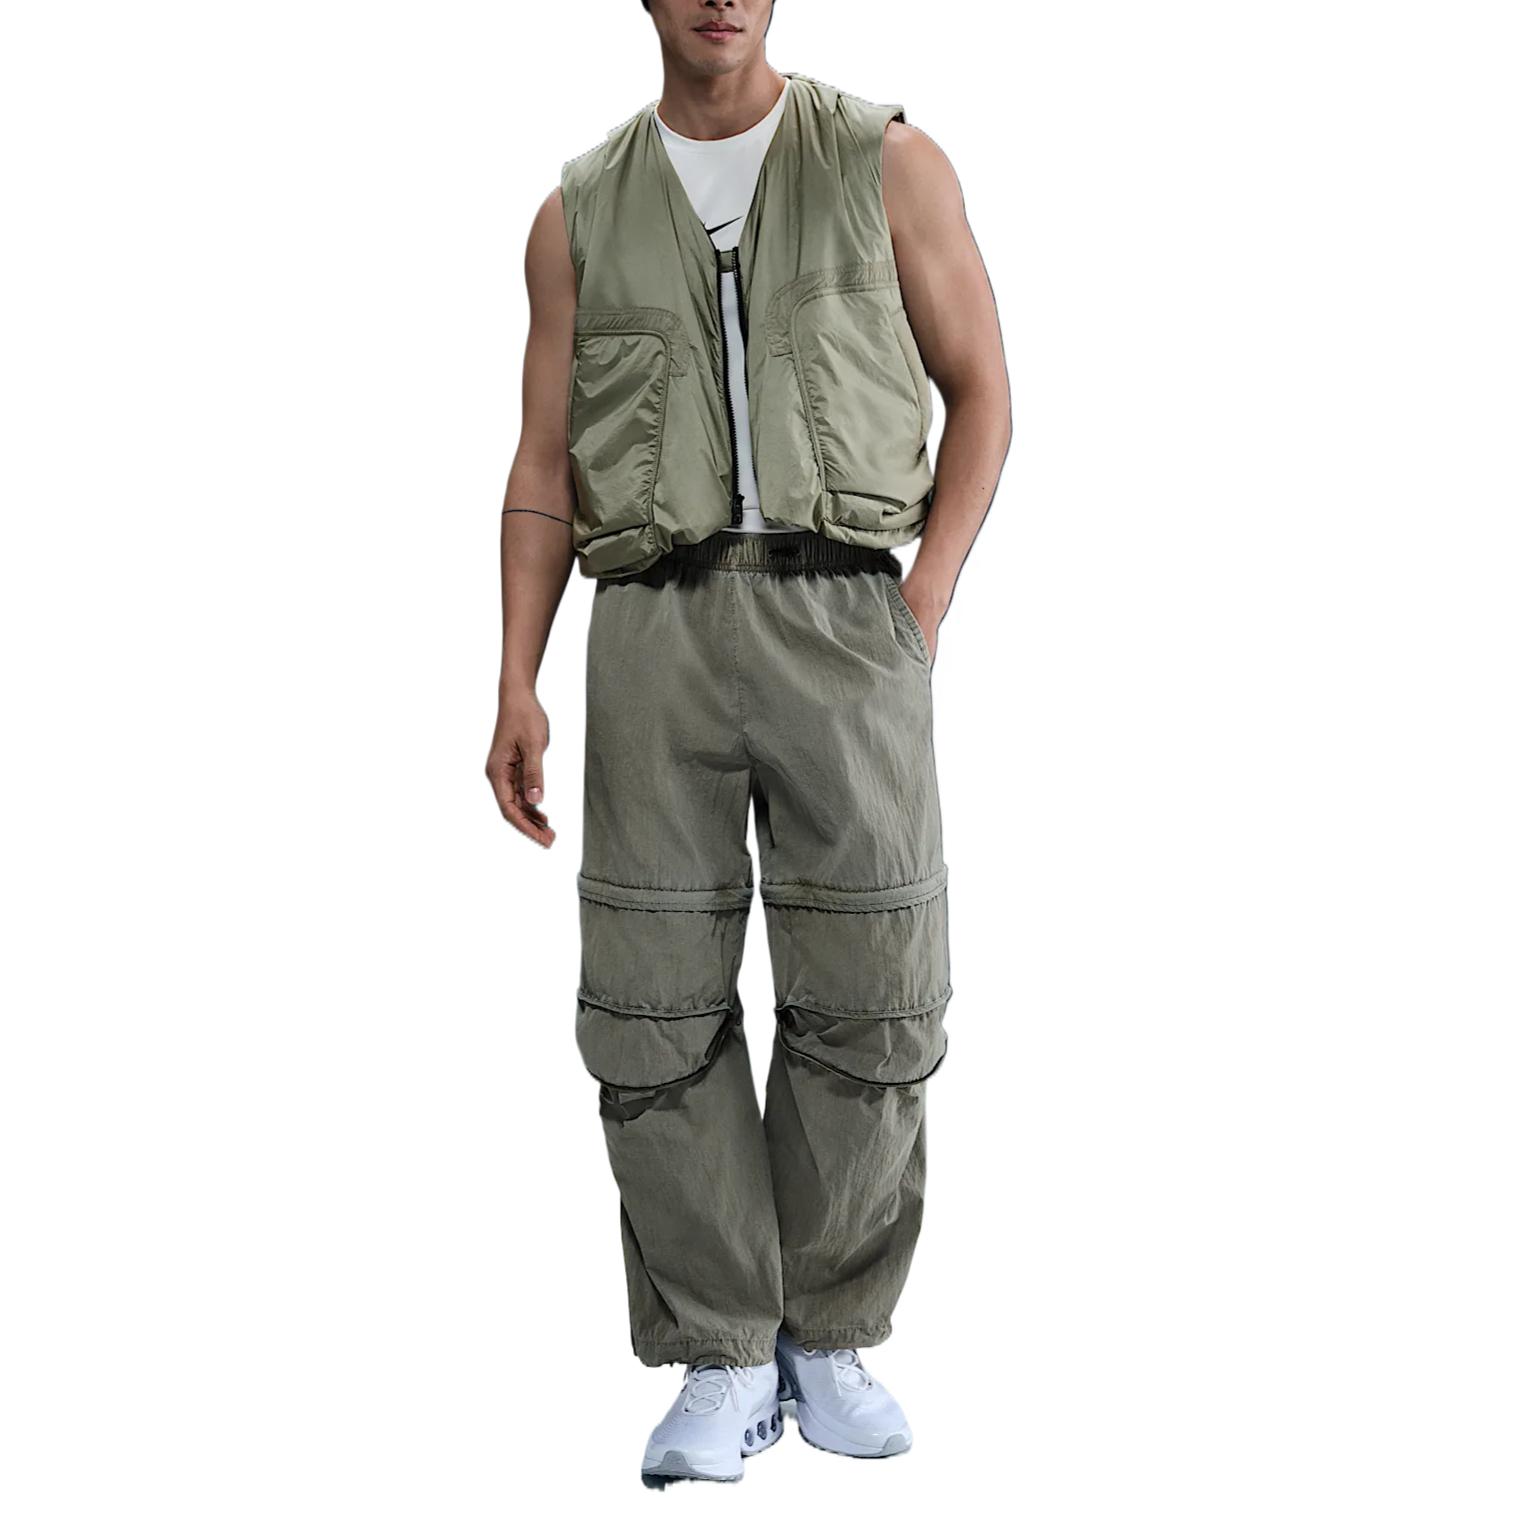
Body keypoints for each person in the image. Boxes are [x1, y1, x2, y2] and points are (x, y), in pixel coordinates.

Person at [486, 0, 1009, 1488]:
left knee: (872, 982)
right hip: (651, 626)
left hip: (847, 618)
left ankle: (825, 1331)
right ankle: (721, 1348)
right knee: (652, 999)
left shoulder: (885, 162)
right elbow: (543, 460)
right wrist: (516, 675)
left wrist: (921, 599)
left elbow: (982, 386)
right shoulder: (576, 212)